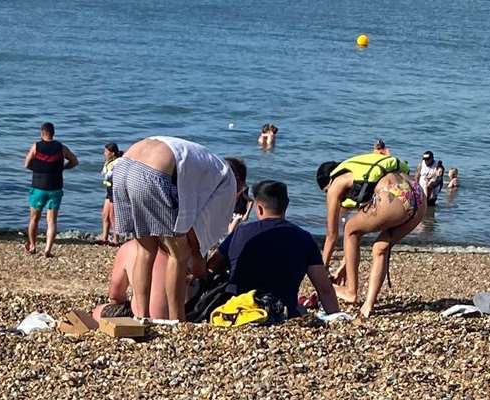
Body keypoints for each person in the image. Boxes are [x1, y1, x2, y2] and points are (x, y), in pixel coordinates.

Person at [107, 137, 239, 322]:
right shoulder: (228, 183)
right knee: (178, 253)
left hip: (122, 167)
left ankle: (141, 317)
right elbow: (196, 234)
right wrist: (198, 261)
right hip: (153, 172)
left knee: (145, 250)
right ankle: (177, 320)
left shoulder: (210, 165)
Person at [317, 149, 422, 317]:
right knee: (380, 248)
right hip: (418, 197)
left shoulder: (336, 184)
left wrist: (322, 273)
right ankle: (368, 305)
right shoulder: (363, 177)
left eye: (325, 192)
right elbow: (357, 237)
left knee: (350, 228)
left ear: (328, 183)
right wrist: (343, 268)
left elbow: (332, 236)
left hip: (394, 195)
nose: (328, 197)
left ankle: (351, 291)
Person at [215, 180, 340, 316]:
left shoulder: (241, 232)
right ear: (286, 206)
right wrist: (335, 315)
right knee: (302, 310)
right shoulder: (304, 238)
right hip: (282, 310)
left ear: (259, 208)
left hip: (239, 309)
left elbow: (211, 266)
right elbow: (324, 288)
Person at [23, 123, 79, 256]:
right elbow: (74, 161)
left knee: (34, 219)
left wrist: (37, 169)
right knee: (51, 221)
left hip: (38, 187)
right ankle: (48, 249)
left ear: (42, 133)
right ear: (53, 133)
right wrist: (63, 168)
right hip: (55, 187)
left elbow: (26, 164)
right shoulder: (61, 148)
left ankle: (32, 246)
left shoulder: (36, 146)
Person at [97, 142, 120, 244]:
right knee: (105, 215)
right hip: (109, 191)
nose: (104, 154)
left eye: (106, 152)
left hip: (115, 191)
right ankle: (104, 238)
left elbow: (111, 176)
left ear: (113, 153)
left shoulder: (117, 163)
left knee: (113, 216)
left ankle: (116, 240)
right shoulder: (108, 162)